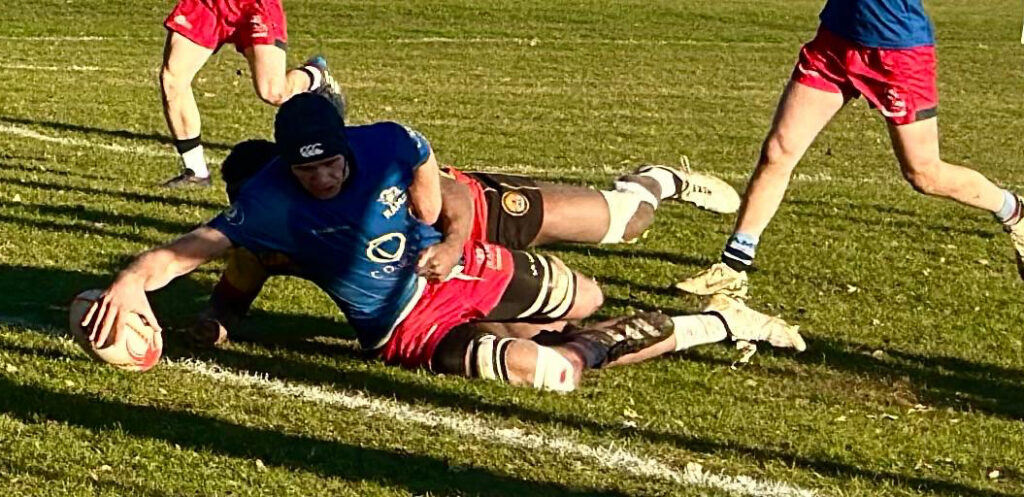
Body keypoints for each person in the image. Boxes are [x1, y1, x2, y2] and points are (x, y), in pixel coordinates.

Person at [81, 93, 803, 393]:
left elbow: (430, 166)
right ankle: (711, 324)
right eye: (306, 172)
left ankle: (656, 182)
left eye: (331, 165)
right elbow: (190, 257)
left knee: (606, 258)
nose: (323, 179)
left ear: (346, 146)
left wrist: (448, 231)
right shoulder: (264, 216)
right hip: (411, 319)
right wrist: (131, 284)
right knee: (551, 364)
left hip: (467, 229)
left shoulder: (384, 146)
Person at [190, 136, 740, 345]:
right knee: (534, 334)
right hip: (440, 280)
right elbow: (229, 301)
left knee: (625, 220)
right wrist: (206, 326)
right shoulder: (262, 237)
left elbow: (446, 190)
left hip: (473, 212)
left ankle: (657, 179)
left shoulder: (353, 179)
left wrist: (453, 241)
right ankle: (701, 326)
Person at [677, 0, 1024, 299]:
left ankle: (1014, 212)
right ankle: (732, 268)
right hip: (835, 43)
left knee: (924, 173)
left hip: (897, 53)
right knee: (778, 152)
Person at [159, 0, 341, 188]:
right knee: (173, 80)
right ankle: (196, 171)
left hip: (254, 5)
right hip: (207, 5)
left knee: (273, 92)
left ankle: (315, 74)